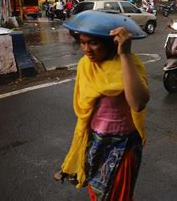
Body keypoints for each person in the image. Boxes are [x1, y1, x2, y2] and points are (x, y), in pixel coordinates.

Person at [54, 22, 150, 200]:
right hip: (94, 143)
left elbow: (138, 104)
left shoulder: (129, 64)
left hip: (122, 145)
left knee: (117, 196)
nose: (86, 49)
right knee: (97, 194)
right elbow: (85, 109)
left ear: (110, 42)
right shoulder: (85, 64)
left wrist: (126, 54)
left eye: (93, 43)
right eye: (82, 42)